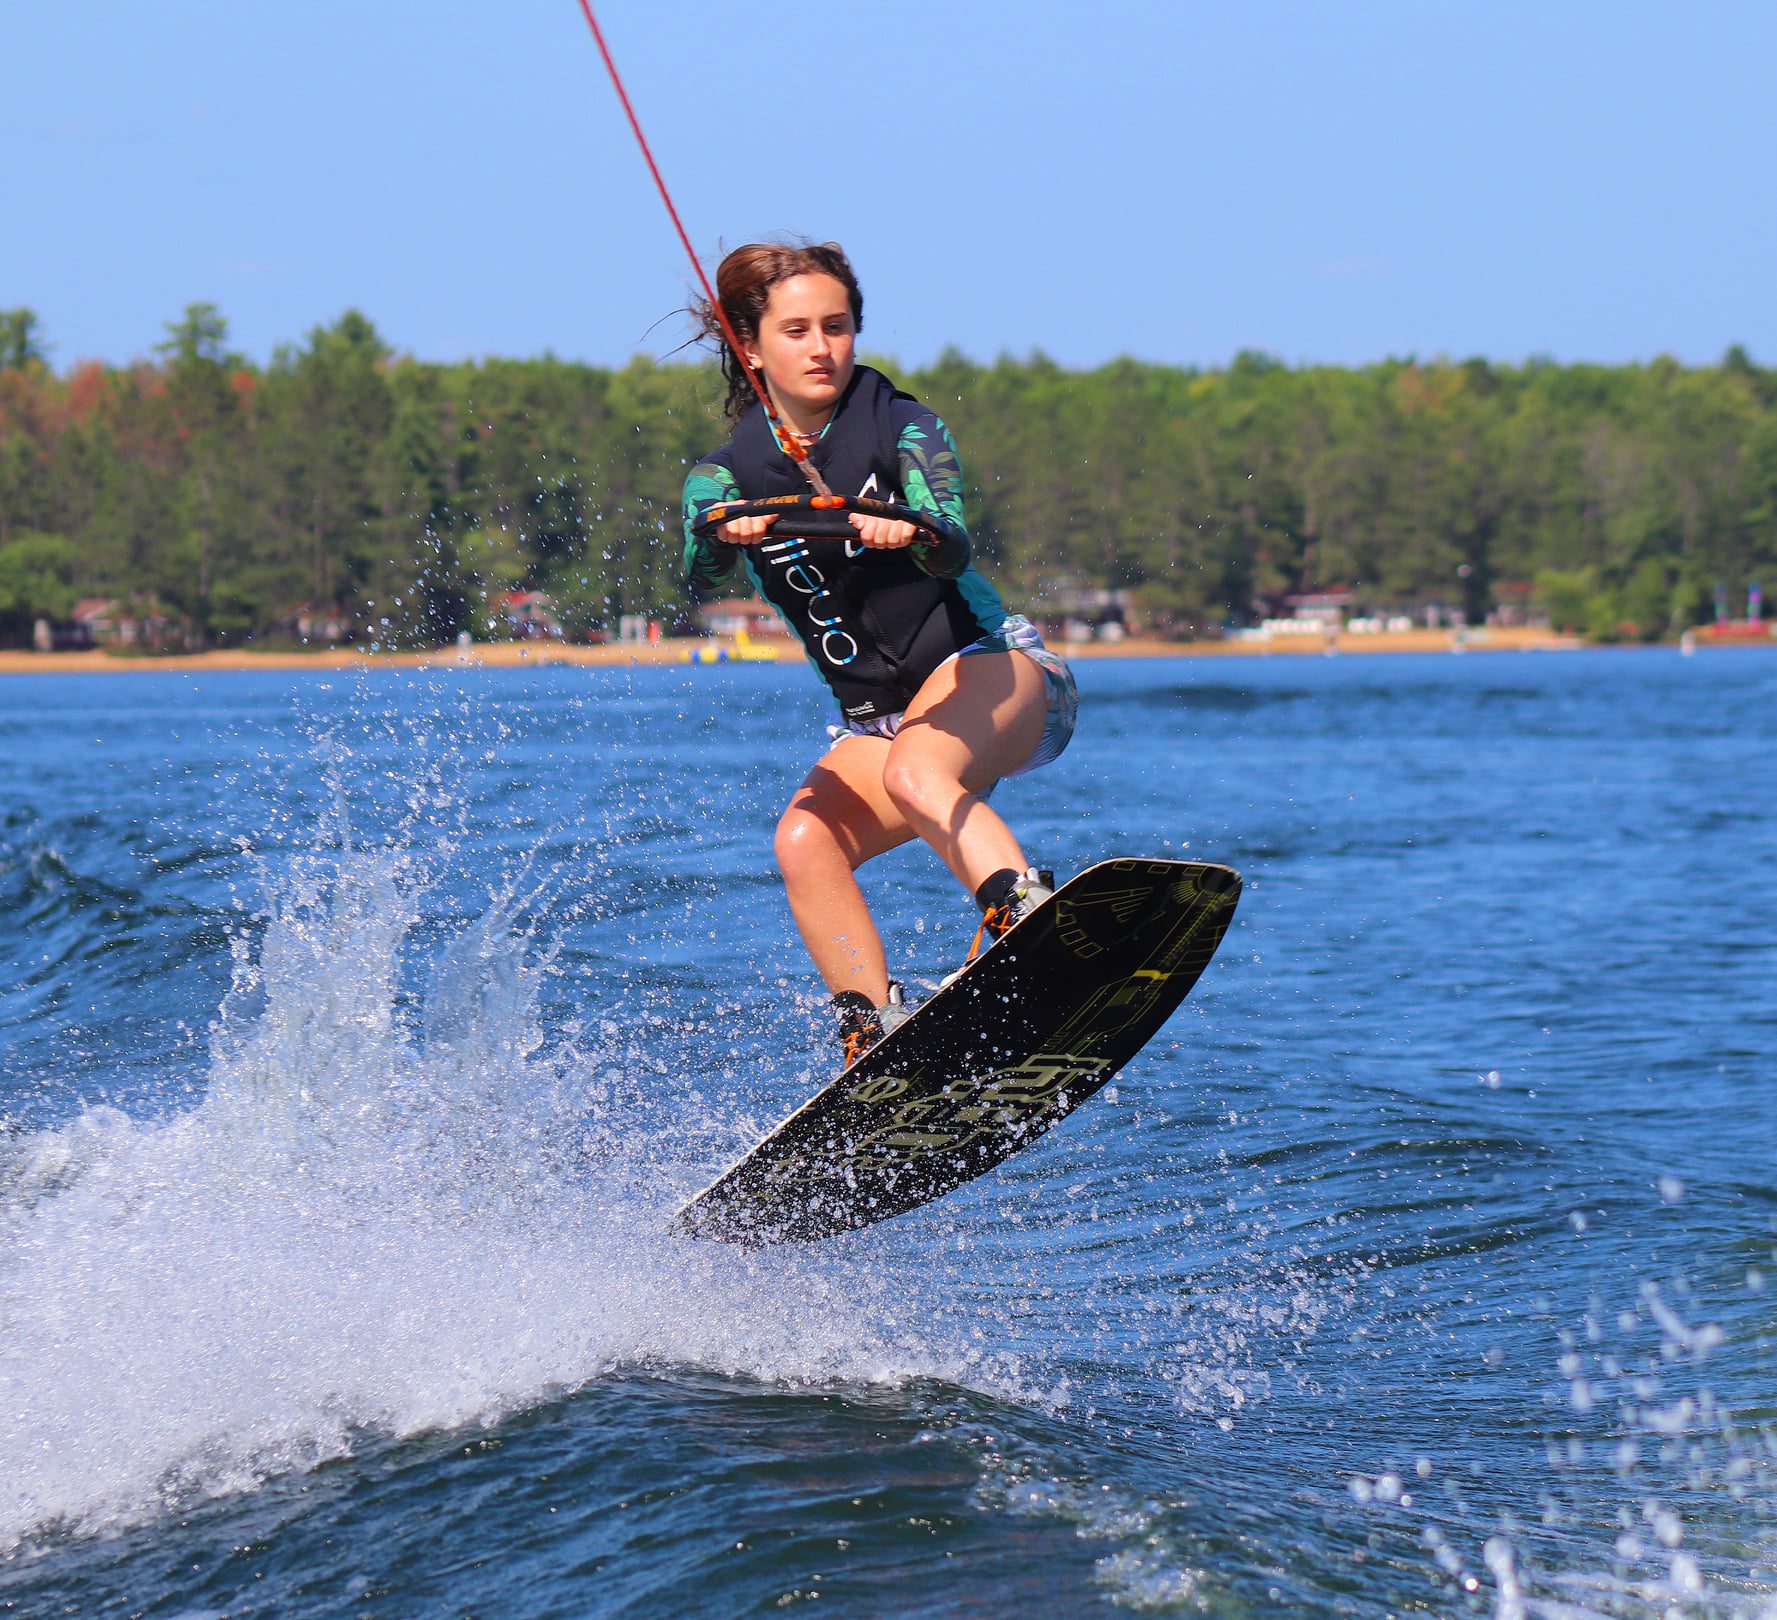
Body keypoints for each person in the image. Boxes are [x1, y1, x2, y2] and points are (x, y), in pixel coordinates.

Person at [681, 241, 1077, 1065]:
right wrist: (728, 532)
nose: (821, 347)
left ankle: (1027, 917)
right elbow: (698, 570)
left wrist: (917, 527)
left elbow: (954, 546)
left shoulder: (902, 425)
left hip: (995, 672)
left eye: (836, 326)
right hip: (889, 723)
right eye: (795, 330)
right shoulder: (723, 475)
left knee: (913, 771)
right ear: (749, 347)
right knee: (804, 839)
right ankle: (873, 1031)